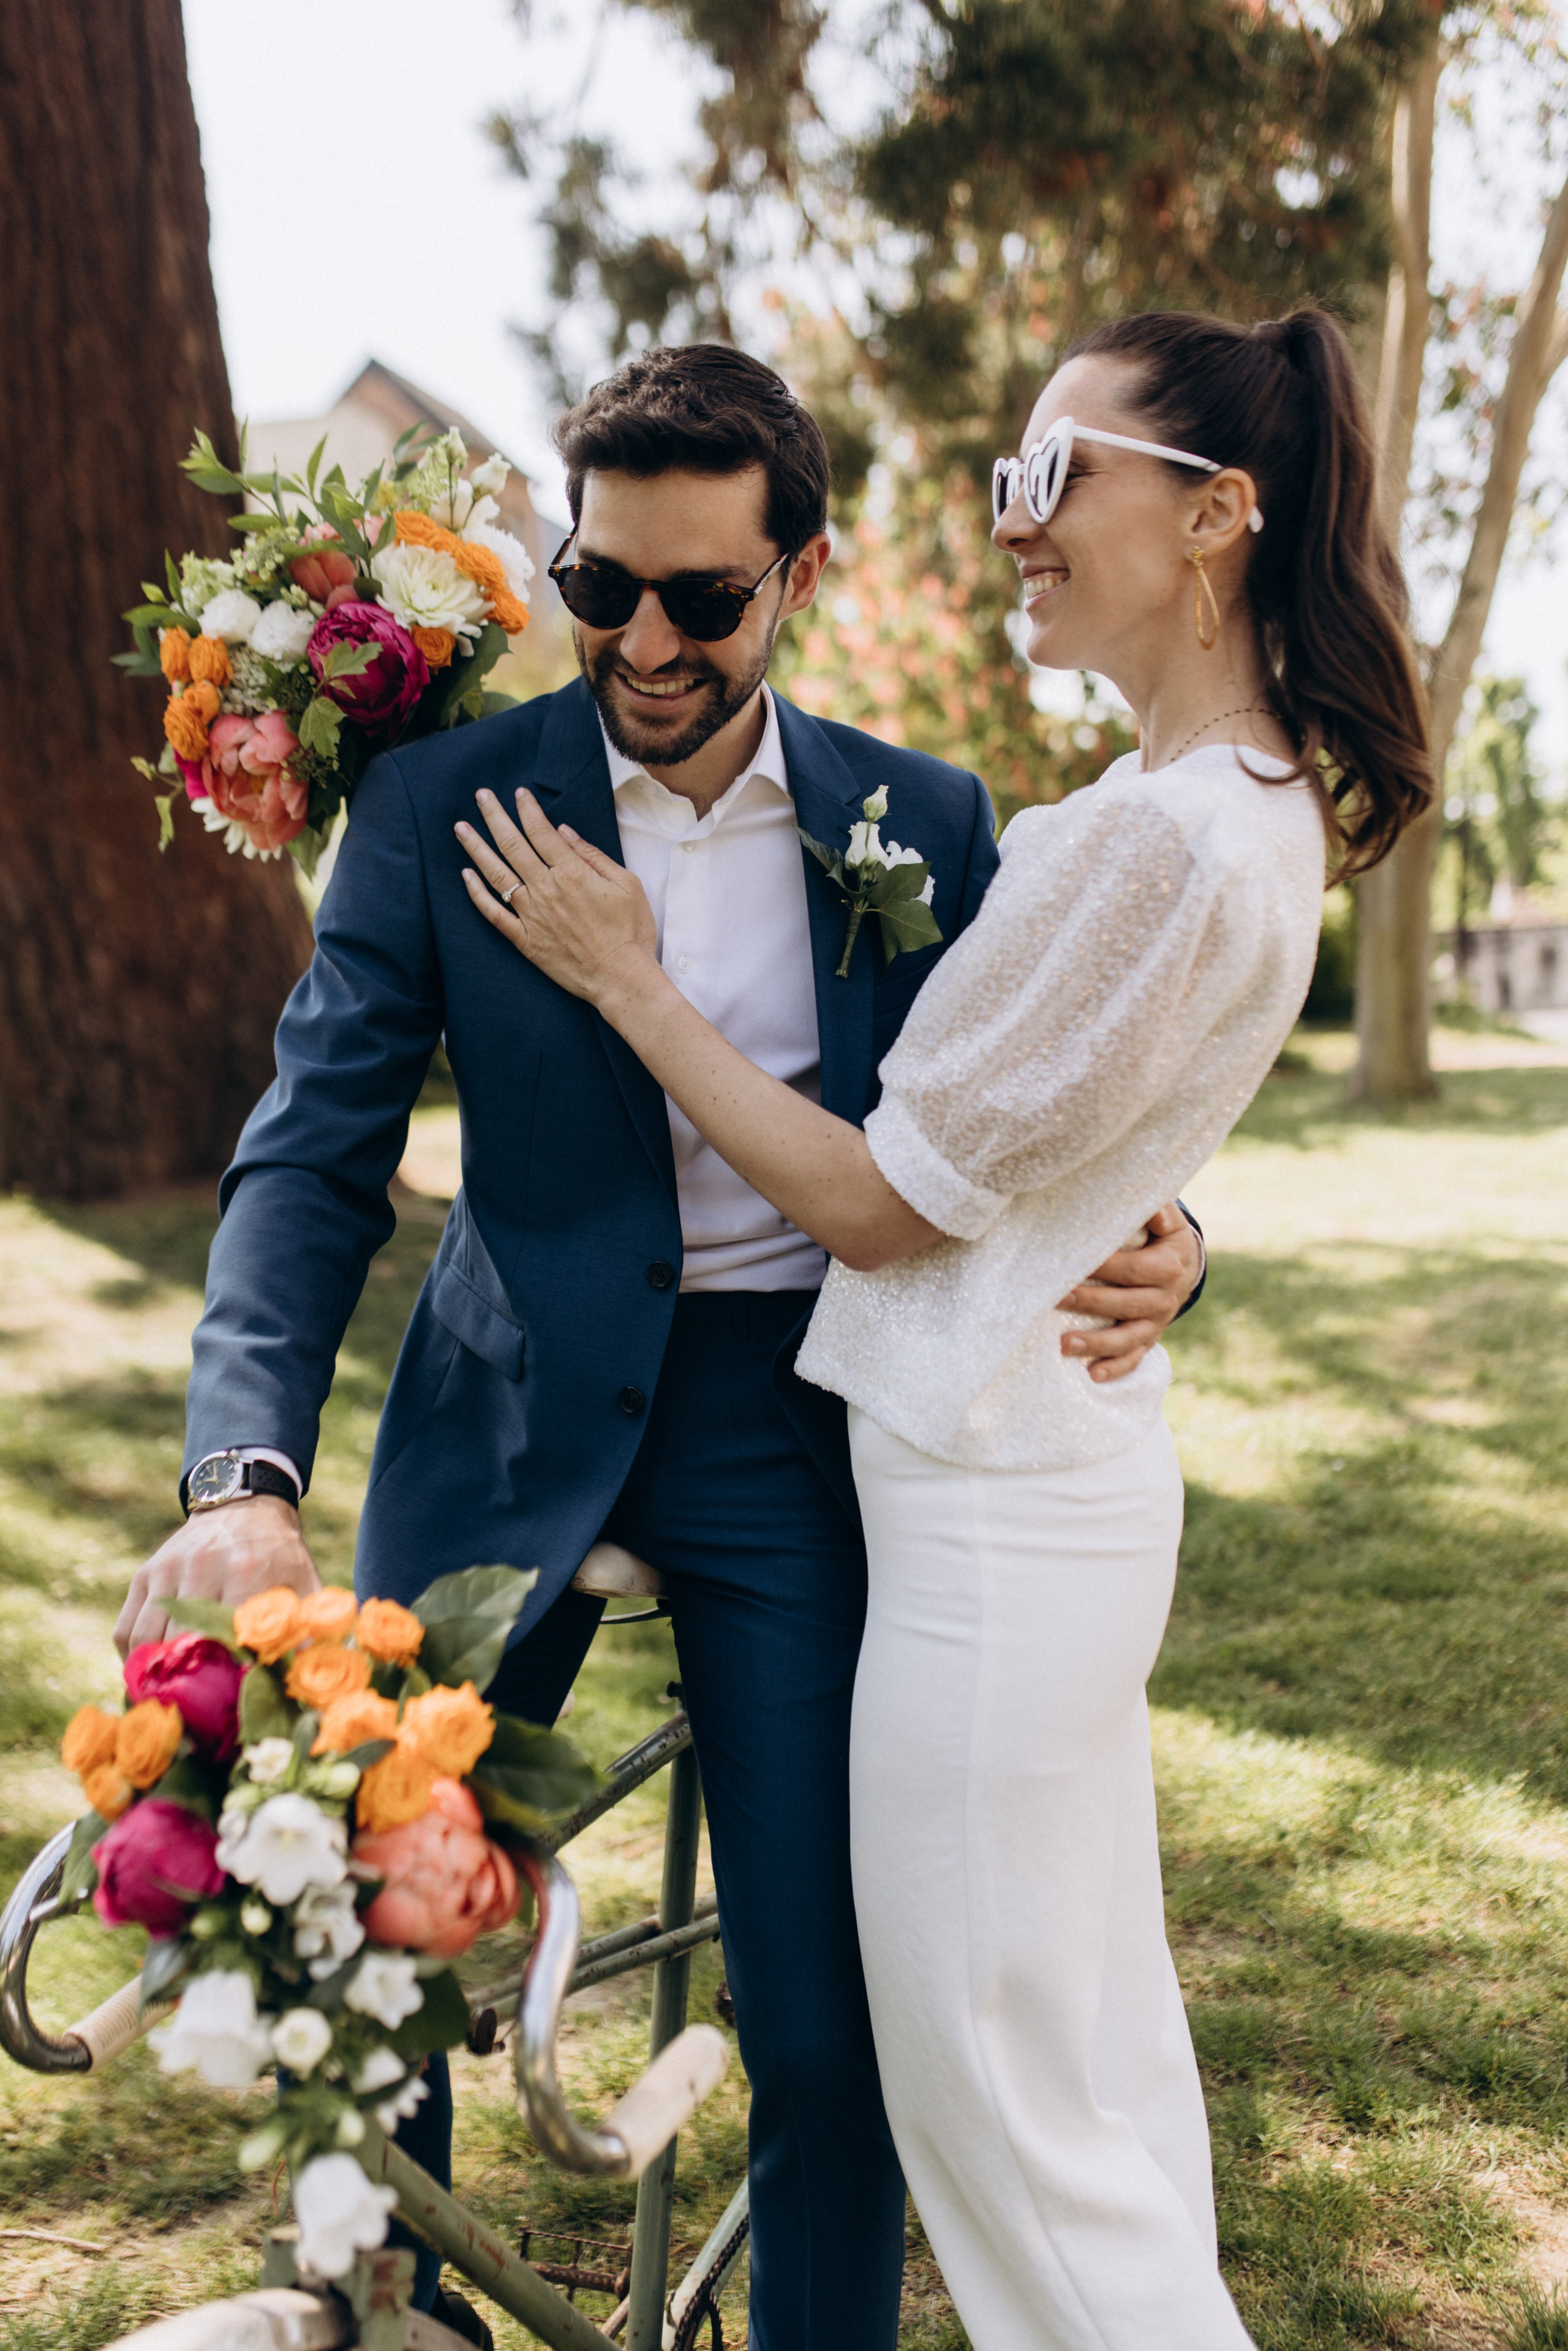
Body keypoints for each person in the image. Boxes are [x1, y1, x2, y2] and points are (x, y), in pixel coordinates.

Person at [113, 344, 1205, 2347]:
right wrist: (243, 1477)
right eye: (600, 582)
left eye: (700, 597)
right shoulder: (439, 807)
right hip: (504, 1409)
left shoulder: (928, 819)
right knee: (354, 1894)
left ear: (795, 578)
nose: (642, 638)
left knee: (824, 1992)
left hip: (800, 1427)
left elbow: (1069, 1108)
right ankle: (397, 2306)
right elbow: (308, 1160)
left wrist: (1182, 1241)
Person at [452, 309, 1433, 2349]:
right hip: (1021, 1498)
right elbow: (1085, 1135)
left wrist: (637, 985)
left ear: (1216, 515)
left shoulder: (1166, 838)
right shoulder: (1191, 806)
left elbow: (890, 1203)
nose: (1015, 527)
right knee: (1094, 2081)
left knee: (1005, 2122)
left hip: (992, 1545)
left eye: (1052, 474)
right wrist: (1152, 1218)